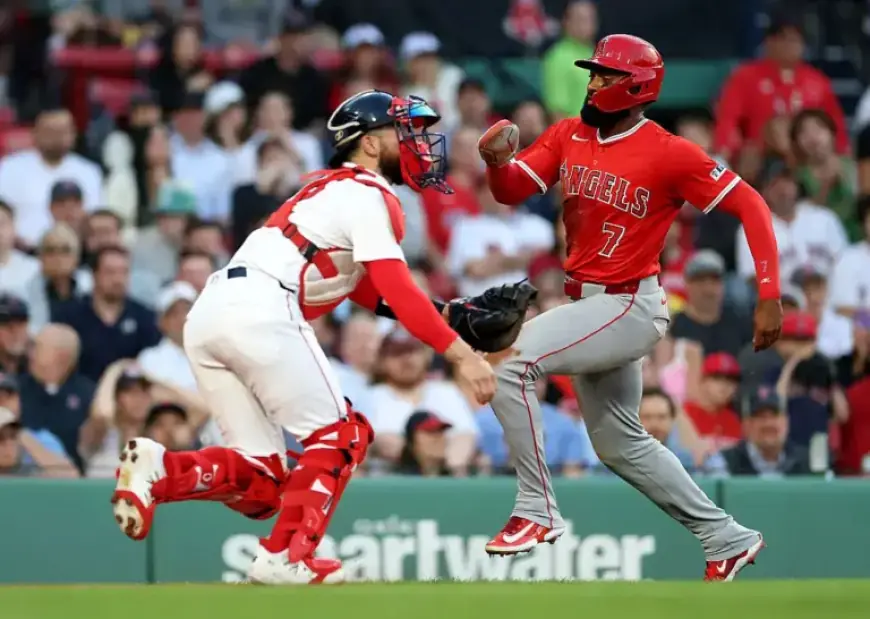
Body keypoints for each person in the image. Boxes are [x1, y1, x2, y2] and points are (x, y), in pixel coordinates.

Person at [110, 90, 495, 585]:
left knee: (266, 480)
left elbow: (355, 285)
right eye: (406, 131)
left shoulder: (329, 192)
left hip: (212, 312)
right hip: (262, 306)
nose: (419, 143)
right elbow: (397, 287)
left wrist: (446, 314)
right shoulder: (367, 191)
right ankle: (286, 556)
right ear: (371, 145)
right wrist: (461, 355)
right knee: (343, 433)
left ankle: (161, 470)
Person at [476, 34, 782, 581]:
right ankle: (725, 536)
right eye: (593, 74)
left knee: (508, 364)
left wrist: (768, 292)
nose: (593, 83)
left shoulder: (669, 152)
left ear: (637, 87)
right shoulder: (570, 132)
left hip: (627, 303)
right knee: (619, 442)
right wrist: (499, 163)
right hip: (589, 303)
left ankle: (534, 508)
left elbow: (752, 205)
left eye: (605, 76)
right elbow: (511, 190)